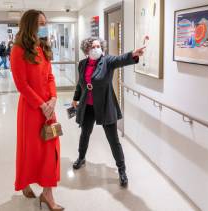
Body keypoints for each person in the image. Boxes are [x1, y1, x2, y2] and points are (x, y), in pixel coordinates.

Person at [72, 37, 145, 187]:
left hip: (105, 105)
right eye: (93, 46)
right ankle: (81, 157)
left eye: (99, 46)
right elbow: (80, 84)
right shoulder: (82, 64)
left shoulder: (107, 61)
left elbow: (120, 59)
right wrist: (76, 98)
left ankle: (122, 170)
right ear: (87, 49)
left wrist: (133, 54)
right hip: (88, 106)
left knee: (113, 140)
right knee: (85, 134)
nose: (96, 49)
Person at [10, 9, 64, 211]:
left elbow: (50, 76)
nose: (45, 27)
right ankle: (25, 181)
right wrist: (42, 104)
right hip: (32, 111)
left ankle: (47, 194)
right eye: (41, 24)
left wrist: (53, 98)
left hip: (49, 110)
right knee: (31, 151)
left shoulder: (43, 47)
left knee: (52, 149)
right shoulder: (18, 50)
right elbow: (21, 85)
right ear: (29, 25)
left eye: (45, 23)